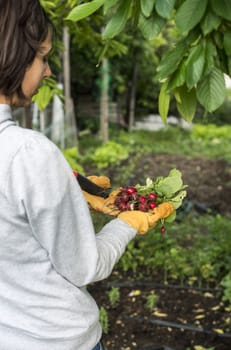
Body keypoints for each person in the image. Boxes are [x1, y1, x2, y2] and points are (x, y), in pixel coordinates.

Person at [0, 1, 174, 349]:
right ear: (15, 53)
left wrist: (66, 190)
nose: (47, 72)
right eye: (43, 57)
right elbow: (85, 266)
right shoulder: (28, 153)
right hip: (54, 339)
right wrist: (128, 223)